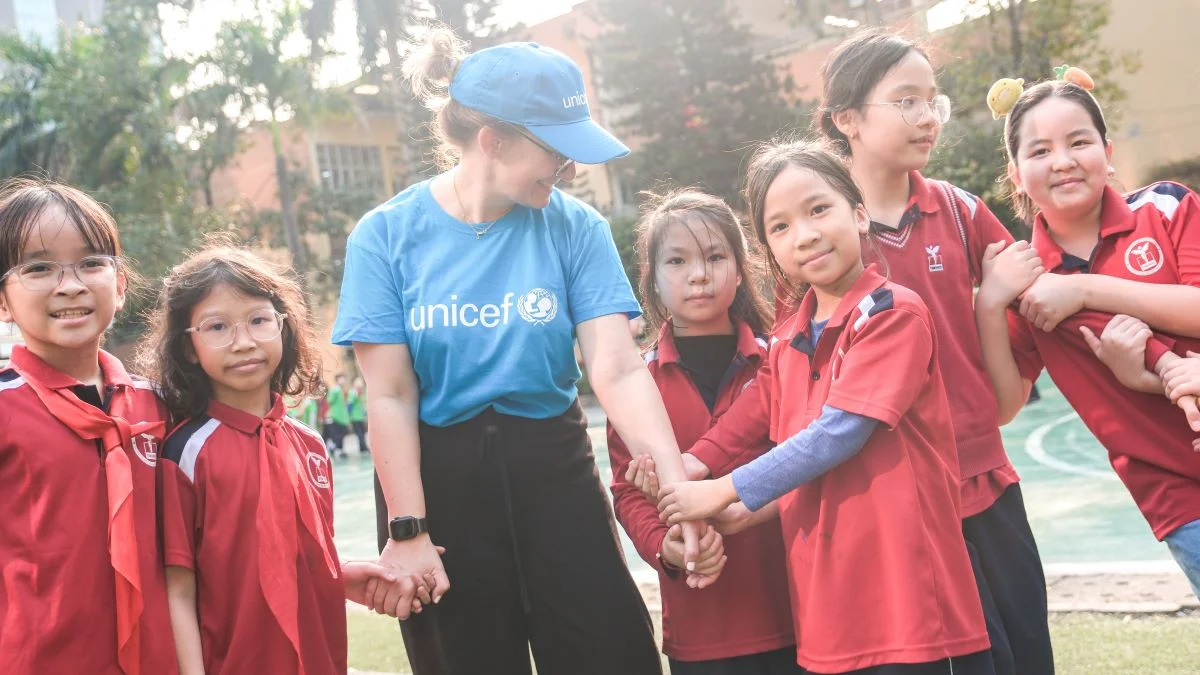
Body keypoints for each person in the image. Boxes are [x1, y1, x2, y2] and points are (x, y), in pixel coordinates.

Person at [331, 24, 697, 675]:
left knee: (613, 653)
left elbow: (614, 366)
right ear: (491, 142)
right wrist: (408, 531)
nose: (572, 169)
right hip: (437, 483)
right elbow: (390, 392)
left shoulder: (574, 225)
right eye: (557, 151)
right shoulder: (384, 235)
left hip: (553, 467)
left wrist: (673, 481)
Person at [688, 30, 1053, 675]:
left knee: (1019, 651)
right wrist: (698, 466)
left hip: (979, 479)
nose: (926, 117)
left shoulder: (958, 212)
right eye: (905, 100)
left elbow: (1038, 304)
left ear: (851, 214)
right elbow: (778, 393)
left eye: (932, 101)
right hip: (890, 503)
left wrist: (992, 308)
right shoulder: (812, 266)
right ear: (846, 120)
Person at [658, 140, 992, 674]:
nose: (806, 234)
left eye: (819, 209)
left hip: (914, 616)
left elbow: (838, 434)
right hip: (829, 620)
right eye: (781, 226)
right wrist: (694, 471)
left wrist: (720, 489)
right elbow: (753, 415)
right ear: (769, 248)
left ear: (859, 214)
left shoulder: (890, 314)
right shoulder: (788, 338)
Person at [144, 247, 420, 674]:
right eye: (217, 326)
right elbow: (178, 591)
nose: (244, 341)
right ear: (190, 347)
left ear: (283, 327)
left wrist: (343, 574)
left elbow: (297, 554)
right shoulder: (185, 454)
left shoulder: (309, 446)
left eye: (258, 320)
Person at [974, 76, 1200, 597]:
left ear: (1108, 151)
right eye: (1040, 150)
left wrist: (1084, 291)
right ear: (1015, 174)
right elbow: (1005, 406)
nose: (1063, 160)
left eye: (1079, 141)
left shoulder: (1165, 208)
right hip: (1175, 491)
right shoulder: (1022, 284)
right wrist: (990, 305)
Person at [609, 190, 798, 674]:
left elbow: (807, 464)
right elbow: (627, 492)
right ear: (651, 278)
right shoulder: (635, 385)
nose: (699, 274)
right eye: (677, 260)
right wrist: (664, 546)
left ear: (740, 268)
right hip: (701, 627)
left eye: (715, 256)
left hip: (799, 613)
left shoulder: (784, 360)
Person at [0, 177, 178, 673]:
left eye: (91, 263)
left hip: (160, 658)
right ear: (2, 301)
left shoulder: (161, 406)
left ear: (120, 285)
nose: (71, 284)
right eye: (38, 267)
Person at [325, 373, 351, 458]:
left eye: (344, 379)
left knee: (343, 434)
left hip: (342, 416)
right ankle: (336, 449)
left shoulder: (341, 389)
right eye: (341, 379)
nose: (343, 380)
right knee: (337, 435)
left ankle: (336, 448)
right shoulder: (335, 389)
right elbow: (329, 400)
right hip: (335, 416)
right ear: (337, 380)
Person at [348, 375, 369, 453]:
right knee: (359, 433)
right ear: (354, 383)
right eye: (358, 381)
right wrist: (349, 415)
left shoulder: (360, 392)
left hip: (360, 416)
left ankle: (362, 447)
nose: (360, 383)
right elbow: (350, 404)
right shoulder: (353, 392)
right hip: (355, 416)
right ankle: (363, 448)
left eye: (360, 381)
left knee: (363, 432)